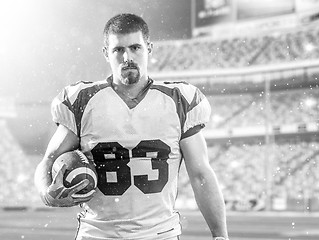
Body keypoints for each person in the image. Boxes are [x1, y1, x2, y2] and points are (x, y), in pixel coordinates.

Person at [34, 13, 229, 240]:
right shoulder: (82, 101)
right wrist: (47, 193)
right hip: (97, 235)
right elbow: (48, 160)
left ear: (149, 48)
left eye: (135, 47)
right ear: (106, 53)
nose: (127, 57)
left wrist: (220, 236)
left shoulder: (180, 101)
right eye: (118, 50)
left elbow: (201, 175)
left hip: (160, 235)